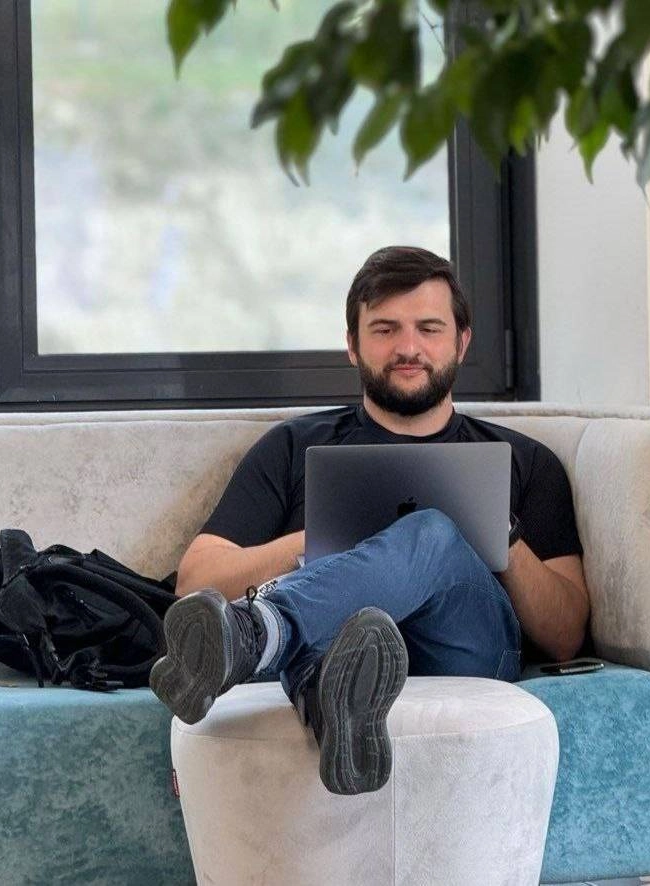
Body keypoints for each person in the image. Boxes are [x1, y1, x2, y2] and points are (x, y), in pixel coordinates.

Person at [150, 245, 590, 796]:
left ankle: (260, 633)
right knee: (342, 632)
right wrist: (325, 543)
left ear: (462, 342)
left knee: (432, 531)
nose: (408, 348)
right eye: (385, 330)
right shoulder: (293, 447)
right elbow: (195, 581)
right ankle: (335, 704)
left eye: (428, 328)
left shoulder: (524, 462)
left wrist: (497, 531)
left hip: (465, 647)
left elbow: (565, 636)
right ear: (353, 345)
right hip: (331, 647)